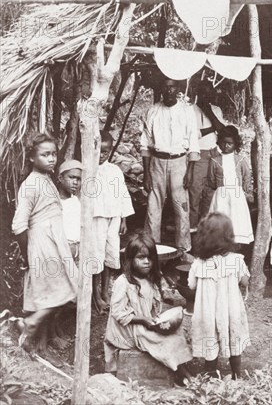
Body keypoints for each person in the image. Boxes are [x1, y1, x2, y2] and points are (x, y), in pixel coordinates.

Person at [12, 133, 78, 355]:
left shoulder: (47, 180)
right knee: (59, 291)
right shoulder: (30, 185)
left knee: (63, 289)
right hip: (42, 245)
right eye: (45, 155)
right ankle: (33, 328)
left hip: (54, 243)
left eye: (53, 154)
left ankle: (38, 336)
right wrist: (28, 254)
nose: (51, 159)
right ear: (32, 157)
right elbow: (19, 226)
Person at [104, 232, 192, 383]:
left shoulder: (150, 280)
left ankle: (181, 368)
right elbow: (118, 313)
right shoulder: (123, 283)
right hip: (128, 331)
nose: (146, 262)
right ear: (130, 260)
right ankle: (183, 374)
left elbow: (153, 307)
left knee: (177, 332)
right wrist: (144, 320)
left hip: (144, 324)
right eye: (141, 258)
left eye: (150, 258)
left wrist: (157, 320)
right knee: (167, 341)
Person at [188, 213, 250, 379]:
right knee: (233, 337)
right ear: (228, 237)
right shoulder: (236, 260)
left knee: (210, 338)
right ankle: (236, 374)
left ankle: (210, 376)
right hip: (231, 310)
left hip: (207, 312)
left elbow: (191, 285)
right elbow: (244, 281)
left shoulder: (198, 263)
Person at [141, 78, 200, 247]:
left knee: (181, 207)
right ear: (161, 89)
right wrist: (146, 174)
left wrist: (189, 172)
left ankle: (183, 248)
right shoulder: (153, 111)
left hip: (179, 162)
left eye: (172, 87)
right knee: (153, 205)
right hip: (157, 161)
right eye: (165, 87)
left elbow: (193, 143)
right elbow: (145, 143)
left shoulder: (187, 111)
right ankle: (152, 246)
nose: (168, 91)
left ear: (178, 89)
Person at [92, 131, 134, 312]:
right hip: (96, 218)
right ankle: (94, 295)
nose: (101, 155)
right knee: (96, 255)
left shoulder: (114, 171)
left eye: (105, 152)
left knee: (111, 254)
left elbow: (123, 194)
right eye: (99, 151)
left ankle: (105, 291)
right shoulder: (88, 170)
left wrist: (124, 218)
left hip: (114, 217)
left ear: (110, 151)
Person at [186, 79, 225, 229]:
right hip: (198, 154)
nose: (207, 96)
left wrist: (209, 113)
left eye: (209, 92)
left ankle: (207, 227)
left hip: (215, 153)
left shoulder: (216, 110)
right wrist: (213, 127)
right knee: (195, 192)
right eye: (203, 93)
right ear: (198, 93)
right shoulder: (190, 110)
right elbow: (193, 135)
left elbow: (222, 130)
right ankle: (192, 228)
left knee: (212, 192)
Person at [207, 125, 254, 246]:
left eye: (230, 143)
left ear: (235, 144)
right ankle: (220, 246)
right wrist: (219, 187)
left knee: (236, 221)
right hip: (221, 196)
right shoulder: (214, 160)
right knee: (221, 220)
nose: (226, 146)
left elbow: (247, 176)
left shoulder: (240, 159)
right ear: (219, 142)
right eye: (223, 143)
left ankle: (236, 247)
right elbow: (211, 180)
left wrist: (244, 190)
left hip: (237, 196)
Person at [57, 159, 83, 264]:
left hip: (77, 250)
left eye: (78, 179)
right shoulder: (55, 203)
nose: (75, 182)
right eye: (71, 177)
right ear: (60, 178)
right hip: (62, 250)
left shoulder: (77, 201)